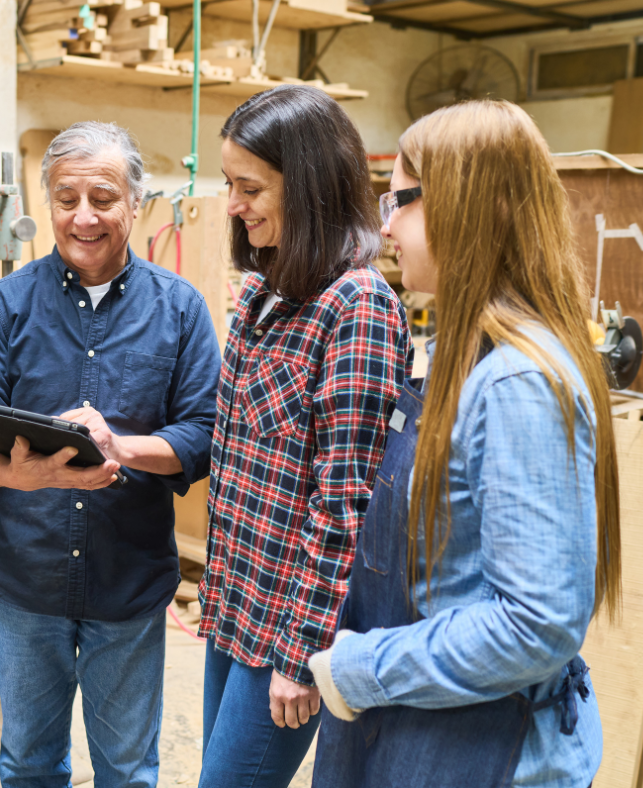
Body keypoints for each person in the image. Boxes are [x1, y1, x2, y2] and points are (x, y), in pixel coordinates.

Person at [308, 100, 620, 788]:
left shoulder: (516, 380)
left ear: (470, 205)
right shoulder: (458, 348)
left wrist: (359, 669)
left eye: (400, 201)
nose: (384, 225)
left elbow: (535, 626)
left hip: (483, 748)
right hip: (423, 727)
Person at [0, 121, 221, 788]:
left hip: (127, 582)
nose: (84, 217)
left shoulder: (180, 310)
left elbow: (206, 433)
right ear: (47, 205)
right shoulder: (7, 304)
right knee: (30, 764)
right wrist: (14, 473)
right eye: (66, 199)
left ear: (136, 202)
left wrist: (119, 446)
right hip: (23, 580)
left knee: (126, 770)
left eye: (103, 198)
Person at [197, 85, 414, 788]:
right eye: (230, 184)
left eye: (250, 187)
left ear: (311, 185)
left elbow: (344, 502)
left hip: (288, 630)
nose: (233, 204)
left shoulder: (357, 307)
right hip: (237, 604)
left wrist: (303, 653)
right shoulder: (267, 292)